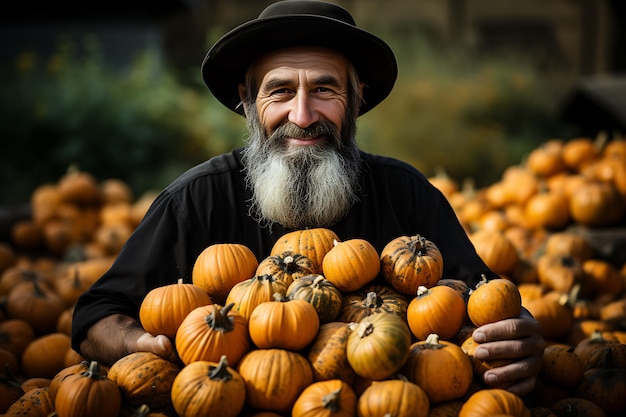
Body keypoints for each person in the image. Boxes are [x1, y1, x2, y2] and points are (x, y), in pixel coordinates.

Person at [72, 0, 544, 396]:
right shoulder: (197, 199)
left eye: (324, 89)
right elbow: (95, 316)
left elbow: (488, 301)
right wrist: (143, 345)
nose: (302, 115)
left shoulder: (407, 195)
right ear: (247, 101)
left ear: (356, 99)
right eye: (280, 91)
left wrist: (516, 335)